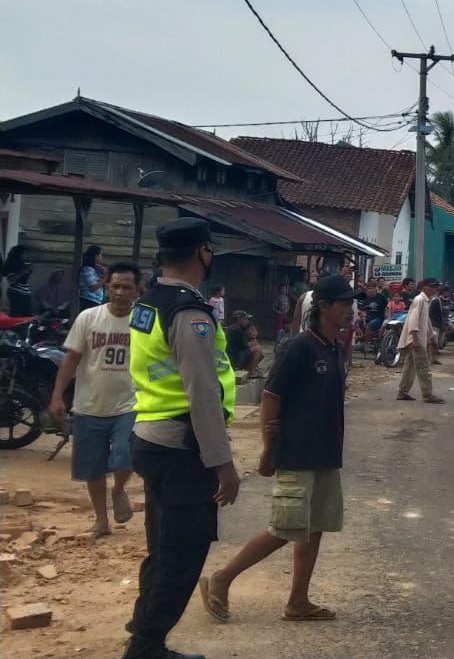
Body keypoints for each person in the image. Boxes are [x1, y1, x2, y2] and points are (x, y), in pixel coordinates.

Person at [202, 274, 359, 625]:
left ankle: (298, 601)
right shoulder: (300, 347)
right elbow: (271, 398)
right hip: (297, 453)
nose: (350, 310)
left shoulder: (333, 347)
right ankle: (222, 578)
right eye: (344, 303)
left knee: (314, 526)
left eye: (351, 303)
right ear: (323, 306)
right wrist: (267, 451)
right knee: (284, 528)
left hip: (325, 453)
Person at [124, 218, 240, 659]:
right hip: (180, 447)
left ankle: (144, 629)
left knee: (162, 546)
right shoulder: (189, 313)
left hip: (149, 437)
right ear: (202, 253)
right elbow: (203, 393)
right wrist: (222, 463)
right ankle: (146, 646)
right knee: (183, 554)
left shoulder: (148, 302)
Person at [47, 261, 140, 538]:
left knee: (126, 455)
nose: (120, 292)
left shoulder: (144, 321)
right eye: (115, 286)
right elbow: (71, 358)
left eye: (127, 287)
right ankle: (101, 521)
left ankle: (119, 489)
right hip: (90, 404)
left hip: (130, 403)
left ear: (138, 289)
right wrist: (57, 396)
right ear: (106, 287)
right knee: (92, 466)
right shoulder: (89, 318)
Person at [396, 278, 444, 403]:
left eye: (435, 287)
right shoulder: (420, 300)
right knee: (424, 367)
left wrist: (431, 336)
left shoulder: (425, 301)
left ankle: (402, 391)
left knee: (410, 366)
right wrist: (415, 338)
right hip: (416, 340)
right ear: (424, 287)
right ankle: (427, 394)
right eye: (432, 287)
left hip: (419, 339)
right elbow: (413, 319)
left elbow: (426, 321)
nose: (434, 289)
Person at [225, 311, 262, 379]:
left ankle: (247, 369)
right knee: (258, 349)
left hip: (233, 356)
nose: (247, 321)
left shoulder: (234, 327)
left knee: (259, 353)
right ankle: (252, 372)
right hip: (234, 358)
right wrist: (253, 339)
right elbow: (245, 345)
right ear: (239, 319)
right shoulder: (237, 329)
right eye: (245, 319)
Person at [5, 245, 33, 316]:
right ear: (19, 254)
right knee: (16, 316)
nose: (26, 255)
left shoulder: (23, 263)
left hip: (25, 292)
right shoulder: (11, 264)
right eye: (24, 253)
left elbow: (24, 279)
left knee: (27, 316)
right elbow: (11, 279)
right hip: (16, 293)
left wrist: (29, 271)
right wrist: (25, 270)